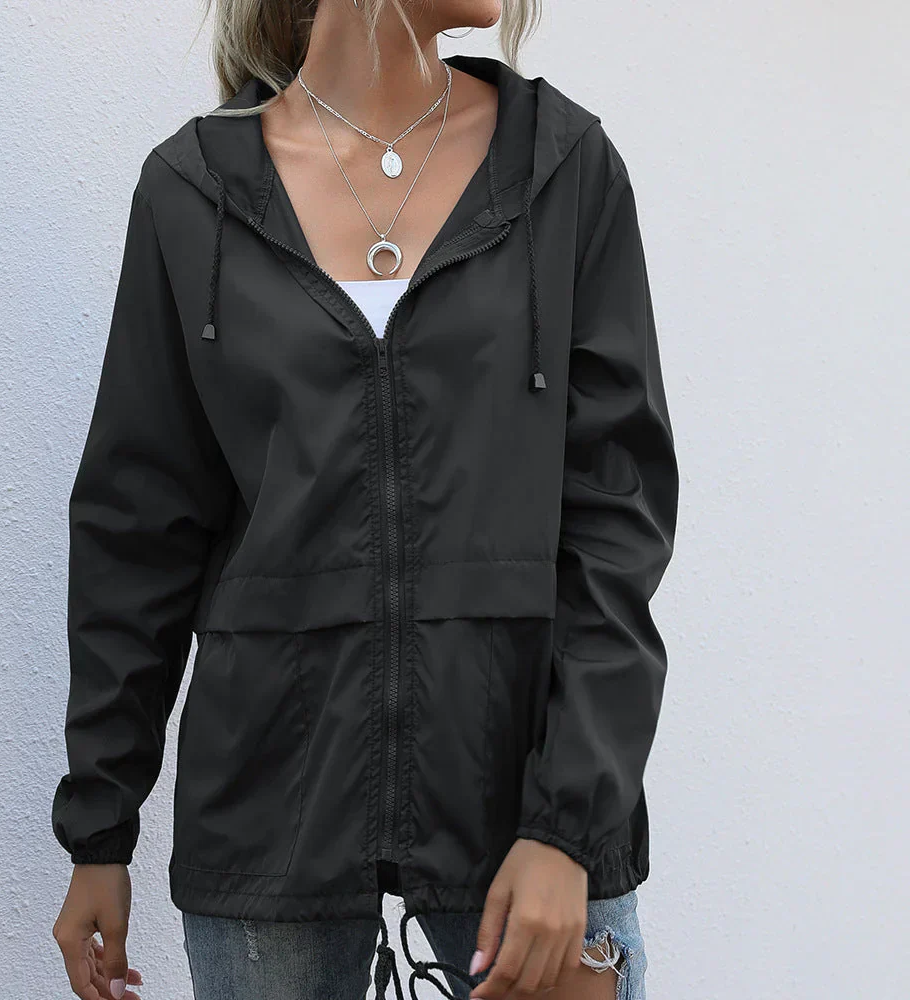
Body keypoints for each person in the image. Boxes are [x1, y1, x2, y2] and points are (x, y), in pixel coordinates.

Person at [50, 0, 679, 997]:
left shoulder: (562, 169)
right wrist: (100, 827)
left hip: (521, 811)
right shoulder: (193, 193)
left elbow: (617, 524)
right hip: (270, 824)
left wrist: (569, 824)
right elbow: (139, 532)